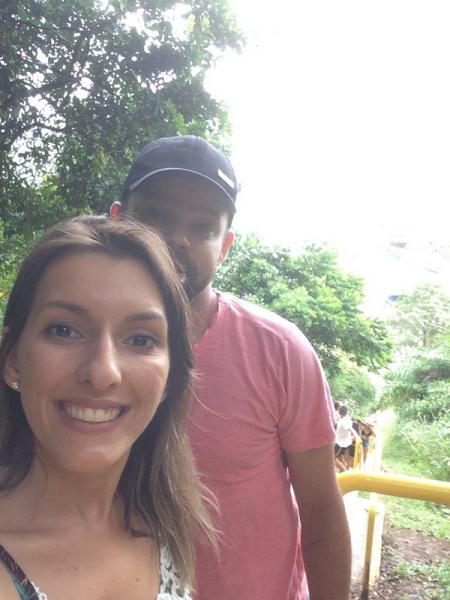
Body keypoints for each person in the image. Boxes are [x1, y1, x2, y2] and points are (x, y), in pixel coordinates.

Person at [111, 135, 352, 600]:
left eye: (203, 227)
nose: (177, 239)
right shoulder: (78, 349)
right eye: (156, 216)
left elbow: (321, 510)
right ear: (118, 220)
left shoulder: (280, 350)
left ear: (224, 247)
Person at [0, 216, 216, 600]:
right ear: (14, 360)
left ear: (169, 377)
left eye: (140, 339)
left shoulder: (163, 518)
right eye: (64, 330)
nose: (103, 373)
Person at [335, 405, 361, 470]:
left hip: (340, 444)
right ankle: (343, 471)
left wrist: (357, 436)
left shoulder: (344, 421)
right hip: (343, 443)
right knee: (341, 458)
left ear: (339, 411)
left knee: (332, 459)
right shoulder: (346, 419)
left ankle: (344, 471)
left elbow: (349, 428)